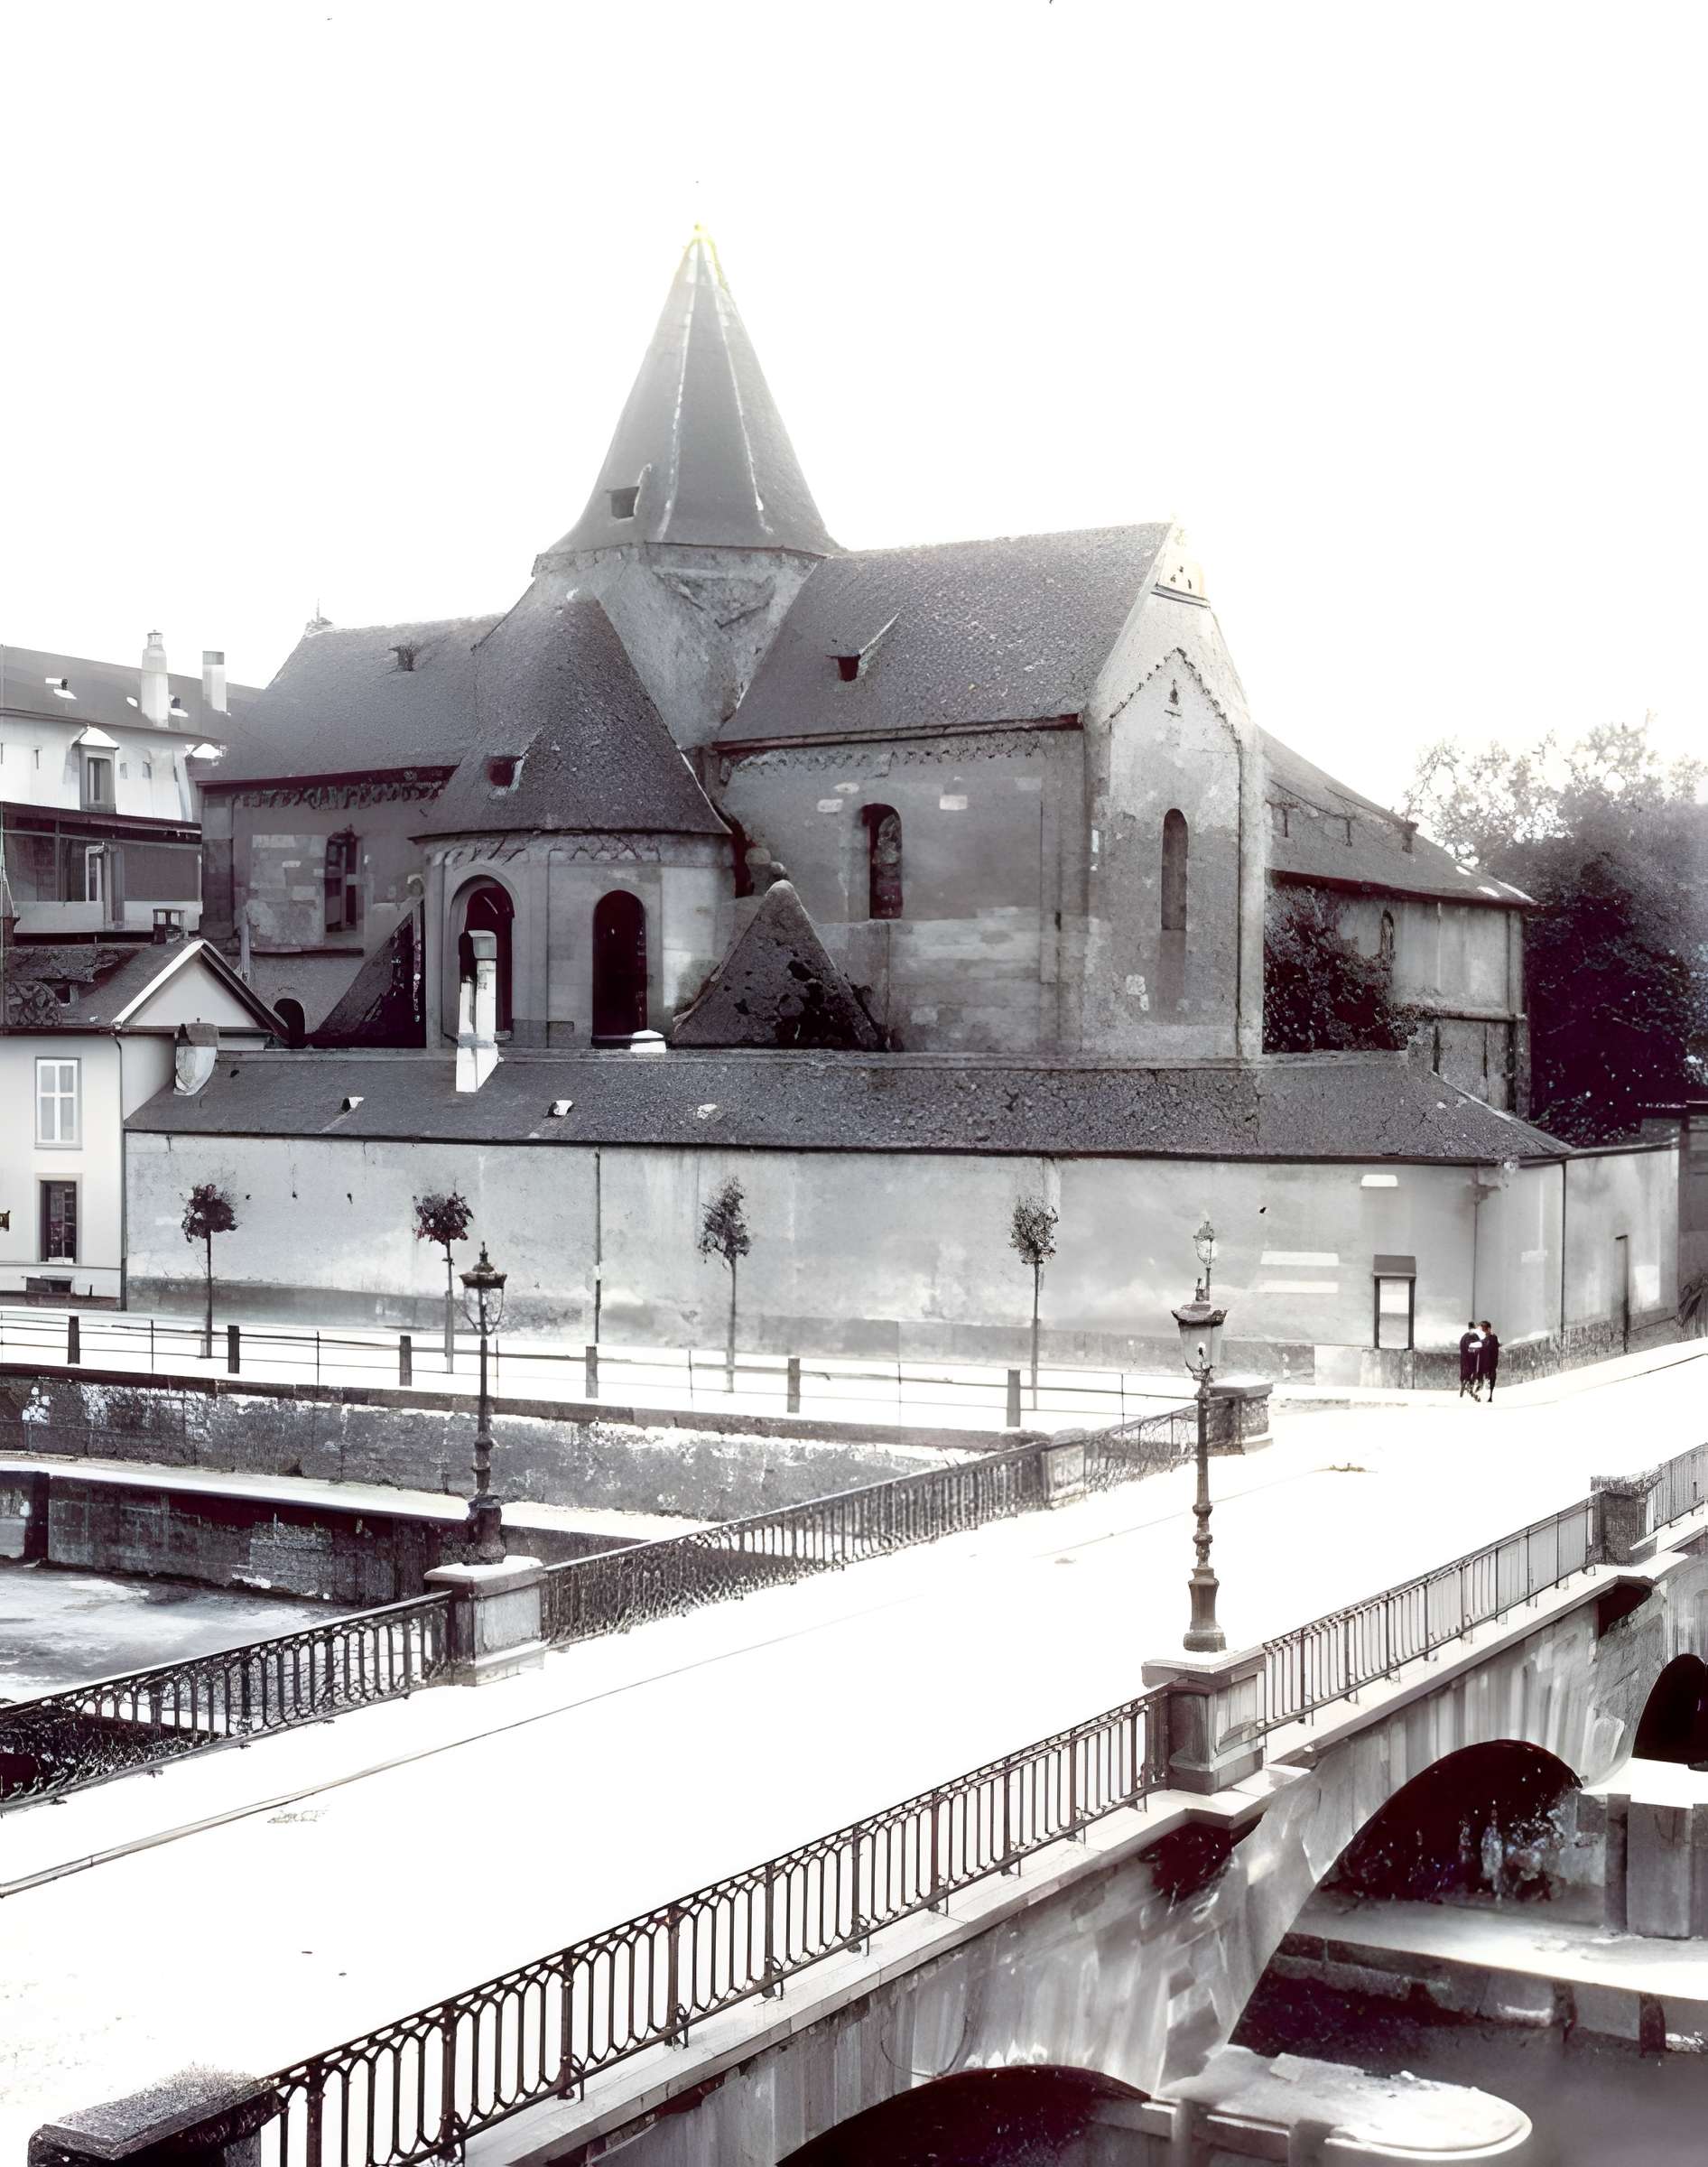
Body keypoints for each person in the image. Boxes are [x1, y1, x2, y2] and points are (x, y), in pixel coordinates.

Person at [1458, 1321, 1483, 1400]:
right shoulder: (1468, 1337)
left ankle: (1467, 1387)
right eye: (1471, 1329)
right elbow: (1477, 1346)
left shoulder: (1468, 1336)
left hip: (1468, 1360)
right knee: (1472, 1373)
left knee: (1468, 1374)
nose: (1471, 1330)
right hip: (1469, 1360)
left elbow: (1480, 1345)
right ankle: (1470, 1389)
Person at [1477, 1320, 1501, 1403]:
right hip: (1486, 1363)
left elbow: (1489, 1346)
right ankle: (1485, 1393)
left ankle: (1490, 1395)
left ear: (1488, 1329)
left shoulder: (1493, 1338)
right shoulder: (1487, 1339)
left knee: (1491, 1378)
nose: (1482, 1331)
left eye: (1483, 1328)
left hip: (1490, 1363)